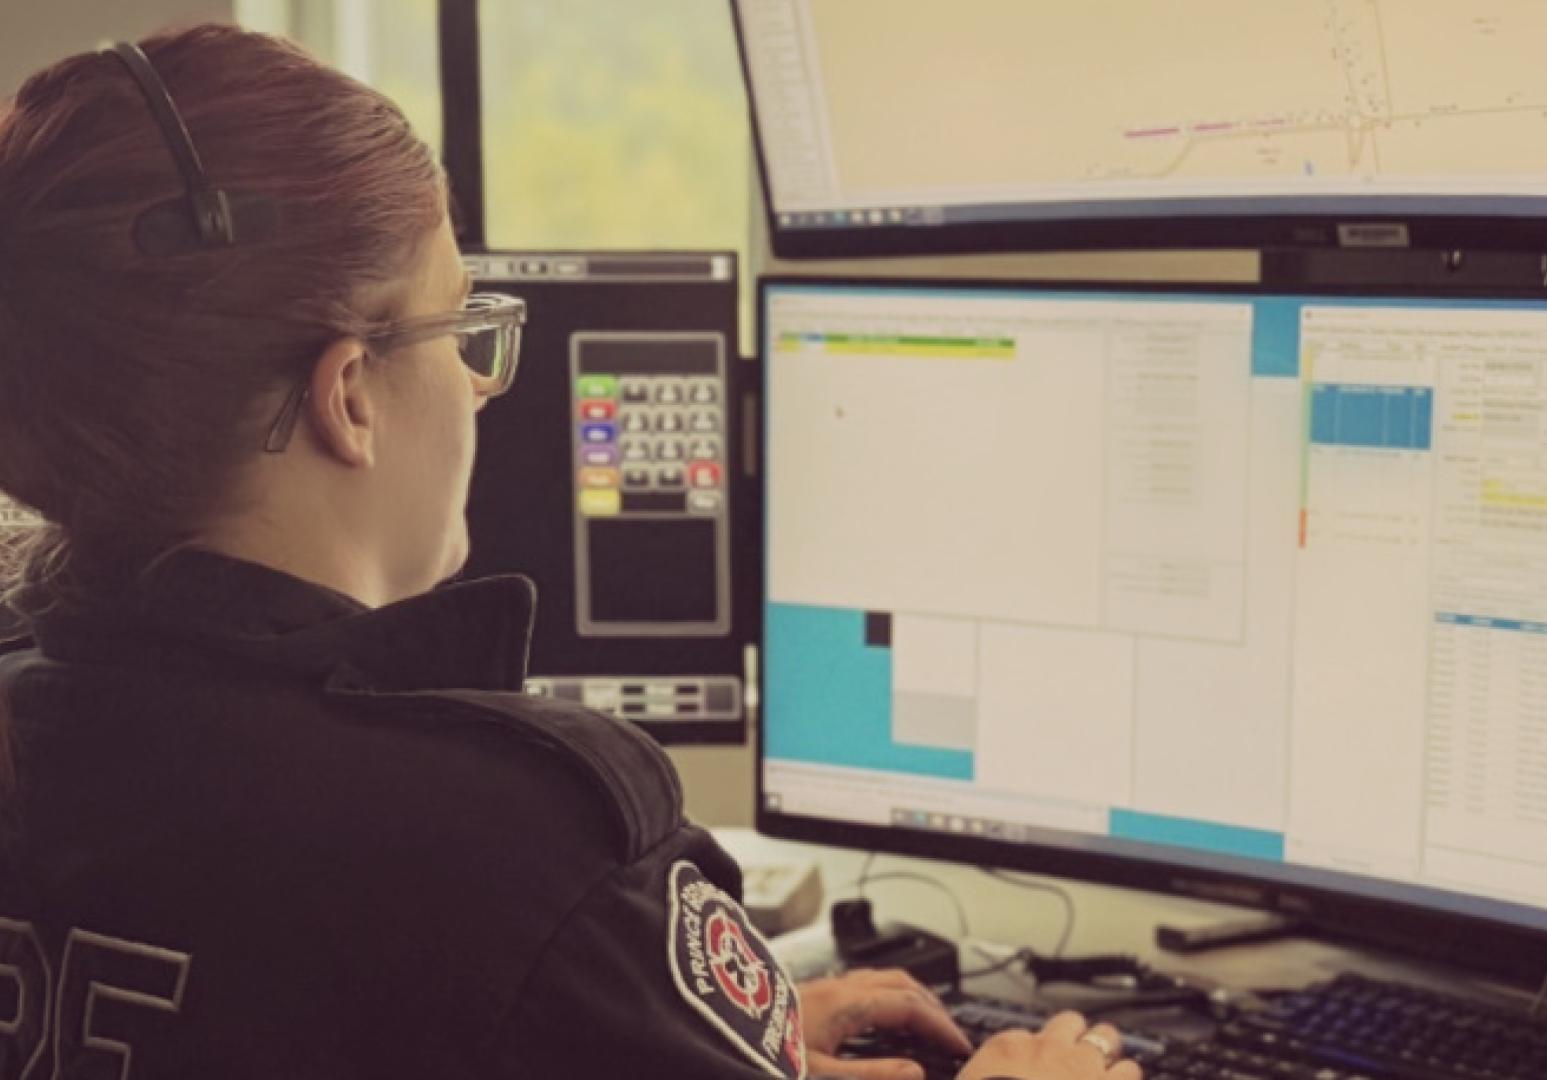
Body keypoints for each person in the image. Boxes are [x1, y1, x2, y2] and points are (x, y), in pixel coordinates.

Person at [0, 25, 1142, 1080]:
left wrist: (673, 1023)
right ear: (349, 398)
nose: (479, 387)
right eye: (462, 329)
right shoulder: (516, 839)